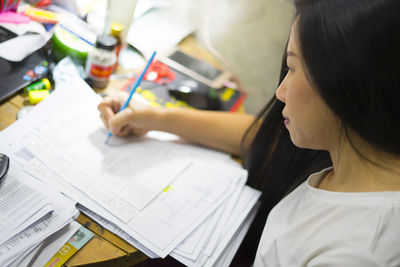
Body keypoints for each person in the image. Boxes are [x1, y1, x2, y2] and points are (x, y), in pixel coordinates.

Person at [98, 0, 400, 265]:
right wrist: (156, 118)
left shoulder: (360, 252)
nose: (280, 91)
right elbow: (265, 136)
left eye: (293, 69)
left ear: (346, 86)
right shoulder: (352, 149)